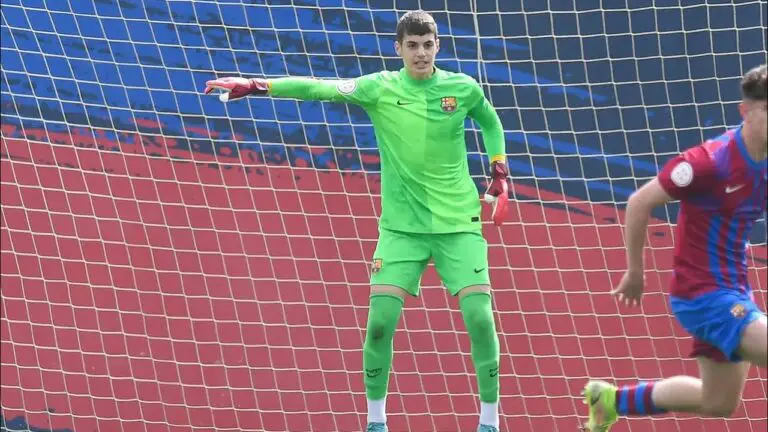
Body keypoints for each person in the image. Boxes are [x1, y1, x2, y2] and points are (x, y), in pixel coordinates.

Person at [204, 10, 509, 432]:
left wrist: (499, 171)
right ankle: (376, 423)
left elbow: (490, 121)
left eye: (428, 44)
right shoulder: (378, 88)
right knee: (379, 326)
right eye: (412, 45)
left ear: (437, 46)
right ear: (398, 48)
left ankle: (489, 422)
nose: (421, 53)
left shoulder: (463, 88)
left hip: (458, 224)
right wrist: (257, 86)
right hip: (400, 231)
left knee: (480, 321)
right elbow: (318, 88)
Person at [581, 63, 767, 431]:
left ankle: (610, 401)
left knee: (717, 402)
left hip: (734, 292)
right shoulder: (709, 162)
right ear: (745, 111)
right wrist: (635, 272)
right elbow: (639, 202)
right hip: (704, 297)